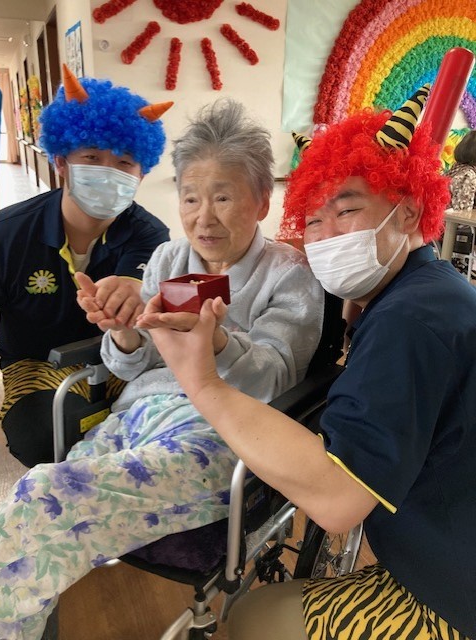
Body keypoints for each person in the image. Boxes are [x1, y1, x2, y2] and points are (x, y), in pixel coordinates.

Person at [149, 88, 476, 640]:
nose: (325, 238)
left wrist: (202, 381)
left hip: (450, 592)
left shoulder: (408, 321)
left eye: (346, 210)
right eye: (313, 220)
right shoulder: (427, 291)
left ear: (410, 210)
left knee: (252, 618)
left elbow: (337, 498)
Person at [0, 98, 324, 640]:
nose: (203, 217)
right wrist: (122, 332)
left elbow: (278, 377)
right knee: (40, 521)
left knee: (44, 496)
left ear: (263, 201)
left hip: (221, 429)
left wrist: (217, 342)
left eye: (223, 197)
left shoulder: (289, 275)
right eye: (190, 198)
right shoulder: (170, 259)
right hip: (137, 414)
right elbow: (132, 362)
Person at [0, 65, 171, 467]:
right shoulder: (7, 234)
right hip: (37, 362)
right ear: (61, 162)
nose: (109, 172)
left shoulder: (149, 234)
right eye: (92, 157)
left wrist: (132, 291)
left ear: (142, 173)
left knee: (159, 436)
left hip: (124, 358)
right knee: (47, 438)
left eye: (125, 163)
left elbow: (136, 294)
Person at [446, 130, 476, 277]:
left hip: (441, 224)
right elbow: (463, 214)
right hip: (453, 228)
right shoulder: (469, 176)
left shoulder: (455, 169)